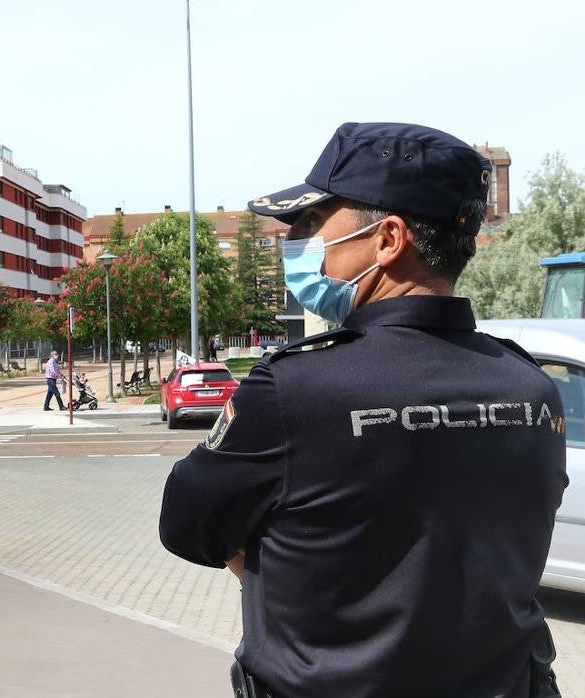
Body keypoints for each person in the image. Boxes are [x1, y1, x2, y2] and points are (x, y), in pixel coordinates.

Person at [158, 123, 567, 697]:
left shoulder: (295, 388)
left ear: (388, 238)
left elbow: (187, 527)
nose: (294, 242)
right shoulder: (531, 387)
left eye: (311, 224)